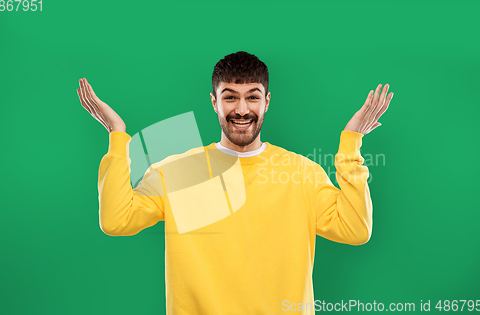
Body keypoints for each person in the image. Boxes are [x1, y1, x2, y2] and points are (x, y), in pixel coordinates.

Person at [77, 51, 393, 315]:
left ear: (266, 101)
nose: (241, 110)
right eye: (230, 97)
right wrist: (117, 135)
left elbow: (355, 229)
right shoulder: (175, 172)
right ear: (214, 102)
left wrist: (351, 144)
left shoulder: (301, 173)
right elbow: (116, 220)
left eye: (252, 97)